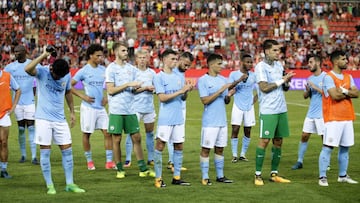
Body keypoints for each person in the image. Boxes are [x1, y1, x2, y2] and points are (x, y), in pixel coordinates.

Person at [25, 49, 85, 194]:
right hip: (43, 119)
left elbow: (68, 92)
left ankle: (70, 184)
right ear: (51, 68)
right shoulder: (42, 72)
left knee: (68, 152)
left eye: (61, 77)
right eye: (56, 76)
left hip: (60, 119)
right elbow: (27, 69)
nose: (58, 78)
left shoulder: (65, 75)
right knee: (45, 154)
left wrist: (71, 111)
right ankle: (50, 185)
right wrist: (44, 55)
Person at [105, 42, 155, 179]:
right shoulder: (111, 69)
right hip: (117, 109)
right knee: (117, 139)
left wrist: (144, 88)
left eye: (127, 50)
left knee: (137, 137)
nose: (126, 52)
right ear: (115, 52)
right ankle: (120, 169)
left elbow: (134, 90)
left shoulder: (131, 69)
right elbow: (110, 90)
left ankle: (143, 169)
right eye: (123, 50)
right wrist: (128, 84)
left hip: (131, 108)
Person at [254, 39, 295, 186]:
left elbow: (284, 87)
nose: (278, 53)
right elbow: (264, 87)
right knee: (264, 141)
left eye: (279, 50)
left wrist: (288, 81)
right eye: (275, 50)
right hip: (268, 110)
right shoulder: (260, 67)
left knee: (278, 141)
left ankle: (274, 174)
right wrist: (282, 80)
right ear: (266, 51)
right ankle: (257, 175)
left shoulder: (279, 65)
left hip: (281, 108)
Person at [71, 44, 116, 171]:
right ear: (91, 56)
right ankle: (89, 161)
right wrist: (82, 96)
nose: (100, 58)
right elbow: (69, 86)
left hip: (101, 108)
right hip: (88, 108)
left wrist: (107, 98)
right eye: (98, 55)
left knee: (108, 133)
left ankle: (109, 162)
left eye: (101, 55)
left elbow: (113, 85)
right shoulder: (84, 71)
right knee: (87, 134)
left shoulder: (104, 70)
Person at [153, 49, 193, 188]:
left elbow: (182, 98)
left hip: (178, 117)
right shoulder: (159, 77)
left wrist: (186, 91)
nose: (175, 62)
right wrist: (181, 91)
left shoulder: (179, 77)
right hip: (166, 118)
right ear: (164, 60)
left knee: (179, 146)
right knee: (160, 145)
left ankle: (177, 177)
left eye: (176, 59)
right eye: (172, 59)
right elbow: (162, 98)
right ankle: (158, 178)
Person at [318, 50, 359, 186]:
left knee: (345, 148)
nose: (346, 61)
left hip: (347, 117)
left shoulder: (348, 77)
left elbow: (356, 94)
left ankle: (342, 175)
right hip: (333, 118)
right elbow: (334, 96)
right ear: (336, 61)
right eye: (343, 59)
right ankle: (322, 177)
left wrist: (345, 91)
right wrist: (349, 93)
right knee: (328, 147)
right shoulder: (328, 77)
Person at [198, 53, 235, 186]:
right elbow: (205, 100)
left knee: (220, 149)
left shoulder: (223, 79)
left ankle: (220, 176)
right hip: (210, 122)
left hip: (222, 121)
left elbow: (225, 101)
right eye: (219, 64)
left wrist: (229, 95)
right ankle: (205, 176)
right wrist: (221, 91)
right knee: (206, 149)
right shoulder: (203, 80)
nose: (222, 66)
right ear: (211, 64)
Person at [4, 45, 38, 164]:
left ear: (24, 52)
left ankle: (34, 156)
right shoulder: (10, 67)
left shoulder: (32, 63)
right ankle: (23, 155)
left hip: (30, 101)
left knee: (32, 128)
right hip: (17, 103)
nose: (16, 53)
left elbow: (41, 75)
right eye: (15, 52)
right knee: (21, 129)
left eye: (18, 51)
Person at [291, 54, 326, 170]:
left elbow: (328, 94)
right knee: (304, 136)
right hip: (311, 113)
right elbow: (306, 96)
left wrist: (315, 87)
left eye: (311, 62)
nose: (308, 65)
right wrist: (307, 91)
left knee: (324, 138)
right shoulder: (310, 79)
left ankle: (326, 162)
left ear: (318, 63)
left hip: (322, 113)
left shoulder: (326, 77)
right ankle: (299, 161)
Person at [123, 48, 157, 167]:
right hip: (135, 108)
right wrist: (145, 88)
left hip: (149, 108)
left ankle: (151, 158)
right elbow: (131, 90)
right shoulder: (133, 72)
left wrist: (153, 89)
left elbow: (156, 88)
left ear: (148, 59)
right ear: (136, 59)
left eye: (144, 58)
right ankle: (128, 158)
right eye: (140, 58)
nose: (142, 60)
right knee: (131, 133)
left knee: (150, 133)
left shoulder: (152, 73)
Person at [166, 51, 194, 171]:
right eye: (185, 64)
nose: (187, 68)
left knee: (177, 137)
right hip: (172, 109)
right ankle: (172, 163)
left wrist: (186, 91)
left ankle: (172, 162)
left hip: (181, 108)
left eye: (189, 66)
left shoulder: (181, 75)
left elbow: (183, 97)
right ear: (180, 59)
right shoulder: (172, 74)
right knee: (172, 137)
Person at [228, 54, 258, 163]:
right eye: (248, 62)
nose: (250, 64)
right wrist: (240, 80)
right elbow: (229, 87)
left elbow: (260, 90)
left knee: (248, 130)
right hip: (237, 104)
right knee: (235, 129)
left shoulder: (254, 75)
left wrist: (254, 100)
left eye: (251, 62)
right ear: (241, 62)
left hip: (249, 106)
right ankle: (234, 154)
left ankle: (243, 154)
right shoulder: (234, 74)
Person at [0, 65, 21, 179]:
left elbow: (18, 90)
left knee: (3, 142)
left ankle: (3, 169)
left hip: (4, 114)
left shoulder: (7, 76)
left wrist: (13, 107)